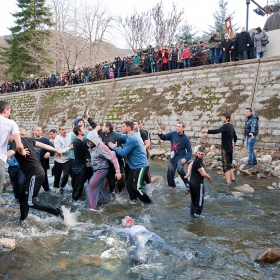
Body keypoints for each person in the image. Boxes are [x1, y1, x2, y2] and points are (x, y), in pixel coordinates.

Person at [7, 137, 64, 222]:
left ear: (10, 135)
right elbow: (42, 145)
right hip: (35, 173)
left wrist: (7, 155)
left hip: (34, 174)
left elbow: (10, 153)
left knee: (31, 202)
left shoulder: (15, 143)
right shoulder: (26, 139)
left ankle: (57, 211)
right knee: (22, 196)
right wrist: (56, 150)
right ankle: (22, 220)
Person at [108, 121, 153, 204]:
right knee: (129, 185)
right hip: (134, 166)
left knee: (137, 187)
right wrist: (112, 131)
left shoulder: (132, 139)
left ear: (128, 128)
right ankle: (134, 202)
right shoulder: (129, 136)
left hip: (141, 166)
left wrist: (114, 147)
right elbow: (121, 136)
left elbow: (123, 153)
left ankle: (149, 203)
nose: (121, 127)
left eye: (123, 126)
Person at [86, 130, 121, 210]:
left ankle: (92, 210)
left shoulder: (101, 147)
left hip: (101, 170)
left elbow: (113, 158)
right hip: (96, 169)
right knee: (101, 189)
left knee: (89, 188)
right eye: (88, 141)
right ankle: (110, 204)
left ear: (94, 139)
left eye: (90, 141)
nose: (89, 143)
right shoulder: (90, 145)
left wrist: (118, 171)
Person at [0, 101, 26, 205]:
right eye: (9, 110)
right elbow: (19, 144)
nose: (9, 113)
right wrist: (22, 151)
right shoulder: (10, 123)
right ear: (5, 110)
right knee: (1, 184)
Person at [201, 112, 237, 184]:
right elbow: (235, 137)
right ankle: (233, 180)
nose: (222, 118)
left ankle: (228, 183)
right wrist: (234, 145)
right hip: (230, 149)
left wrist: (207, 131)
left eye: (223, 118)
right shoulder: (231, 126)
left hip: (225, 149)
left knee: (226, 166)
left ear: (227, 119)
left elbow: (217, 131)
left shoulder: (225, 126)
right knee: (229, 165)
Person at [158, 122, 192, 189]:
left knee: (180, 169)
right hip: (173, 157)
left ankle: (187, 184)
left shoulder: (185, 139)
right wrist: (160, 134)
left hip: (181, 157)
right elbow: (164, 137)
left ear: (183, 128)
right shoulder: (172, 134)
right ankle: (172, 188)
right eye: (177, 126)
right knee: (169, 174)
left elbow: (190, 151)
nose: (177, 128)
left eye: (179, 126)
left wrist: (185, 159)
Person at [185, 147, 211, 218]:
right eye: (199, 154)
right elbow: (202, 173)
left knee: (193, 201)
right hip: (197, 184)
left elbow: (190, 164)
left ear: (204, 154)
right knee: (199, 202)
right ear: (197, 153)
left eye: (201, 154)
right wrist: (209, 177)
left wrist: (188, 173)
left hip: (191, 183)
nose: (200, 155)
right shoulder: (198, 161)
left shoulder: (196, 159)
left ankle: (192, 216)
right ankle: (197, 217)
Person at [32, 126, 54, 192]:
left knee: (44, 180)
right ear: (33, 131)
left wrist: (49, 152)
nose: (40, 132)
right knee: (33, 180)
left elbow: (53, 149)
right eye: (38, 130)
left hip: (43, 164)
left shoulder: (45, 140)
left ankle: (47, 192)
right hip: (33, 164)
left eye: (40, 130)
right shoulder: (30, 140)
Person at [72, 125, 91, 201]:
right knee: (79, 186)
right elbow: (87, 158)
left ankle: (75, 200)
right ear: (79, 132)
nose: (84, 130)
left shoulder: (75, 141)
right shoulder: (81, 143)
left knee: (76, 186)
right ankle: (75, 203)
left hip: (75, 165)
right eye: (83, 129)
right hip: (81, 166)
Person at [53, 124, 73, 194]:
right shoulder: (57, 139)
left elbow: (75, 131)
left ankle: (62, 187)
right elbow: (59, 150)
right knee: (57, 177)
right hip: (58, 160)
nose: (64, 131)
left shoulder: (69, 135)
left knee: (66, 175)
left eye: (65, 129)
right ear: (59, 131)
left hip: (67, 160)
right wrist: (69, 148)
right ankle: (55, 190)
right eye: (62, 129)